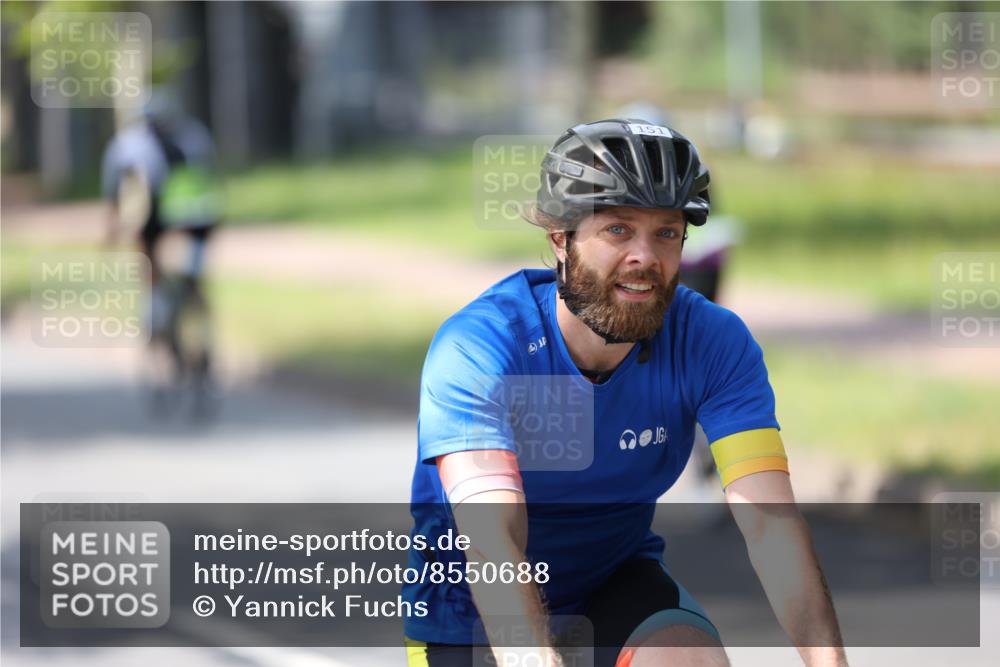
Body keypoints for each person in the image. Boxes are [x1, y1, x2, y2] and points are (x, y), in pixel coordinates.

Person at [403, 119, 847, 667]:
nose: (645, 256)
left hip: (613, 584)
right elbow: (494, 544)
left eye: (667, 232)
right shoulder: (482, 348)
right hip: (471, 611)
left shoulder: (711, 340)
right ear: (560, 238)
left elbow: (770, 525)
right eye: (618, 230)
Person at [101, 93, 222, 339]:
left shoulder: (128, 142)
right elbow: (212, 174)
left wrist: (113, 231)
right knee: (195, 267)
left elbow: (116, 191)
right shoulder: (196, 134)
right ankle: (194, 294)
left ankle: (155, 310)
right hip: (199, 208)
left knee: (147, 254)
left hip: (157, 207)